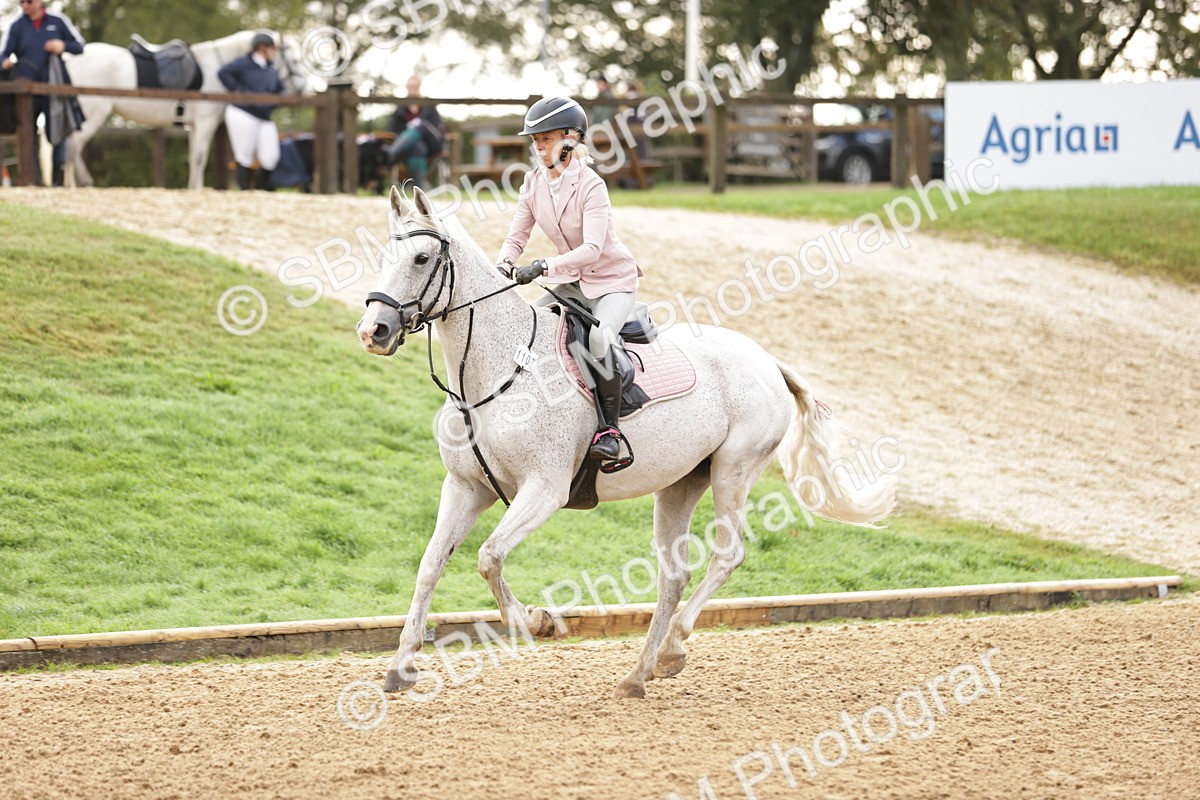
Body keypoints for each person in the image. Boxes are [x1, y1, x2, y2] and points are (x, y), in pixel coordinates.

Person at [495, 96, 643, 464]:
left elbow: (592, 249)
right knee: (525, 326)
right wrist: (502, 266)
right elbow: (517, 235)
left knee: (598, 338)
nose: (538, 146)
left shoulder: (592, 186)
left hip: (612, 281)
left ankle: (610, 430)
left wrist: (542, 266)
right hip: (572, 282)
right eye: (535, 140)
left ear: (570, 139)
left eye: (545, 138)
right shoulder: (532, 183)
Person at [0, 0, 85, 186]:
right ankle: (33, 182)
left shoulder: (57, 20)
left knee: (58, 133)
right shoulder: (17, 26)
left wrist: (62, 45)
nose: (24, 5)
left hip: (54, 89)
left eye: (29, 1)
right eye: (21, 2)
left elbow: (79, 46)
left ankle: (57, 182)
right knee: (28, 135)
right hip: (26, 93)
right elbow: (3, 53)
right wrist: (5, 61)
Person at [217, 32, 284, 191]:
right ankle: (245, 191)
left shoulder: (271, 69)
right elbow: (223, 73)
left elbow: (281, 88)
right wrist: (239, 92)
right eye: (272, 48)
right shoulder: (243, 63)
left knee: (271, 157)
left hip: (264, 116)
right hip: (243, 112)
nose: (274, 52)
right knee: (244, 154)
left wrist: (278, 99)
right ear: (262, 47)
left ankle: (259, 189)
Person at [384, 73, 444, 190]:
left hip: (432, 144)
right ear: (407, 88)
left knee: (420, 125)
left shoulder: (429, 105)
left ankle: (391, 154)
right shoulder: (400, 108)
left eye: (415, 86)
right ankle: (418, 189)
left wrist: (416, 128)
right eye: (411, 87)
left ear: (419, 87)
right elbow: (391, 130)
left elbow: (437, 127)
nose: (413, 89)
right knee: (418, 147)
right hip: (410, 147)